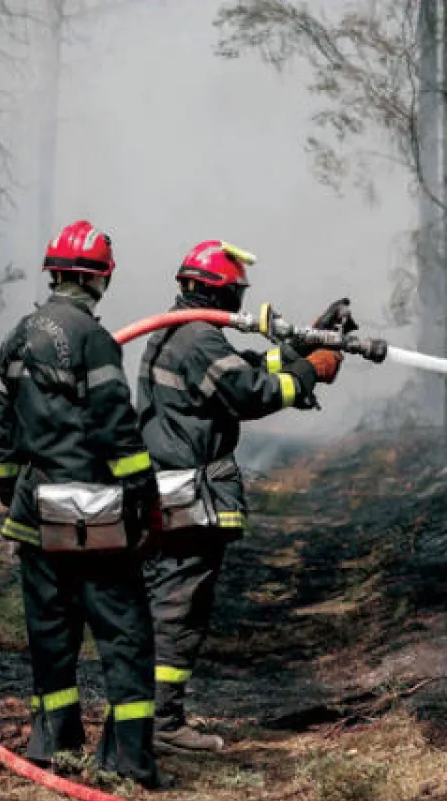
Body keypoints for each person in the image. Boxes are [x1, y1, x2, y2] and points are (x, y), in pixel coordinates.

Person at [136, 240, 347, 753]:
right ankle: (162, 725)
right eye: (235, 294)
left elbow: (246, 365)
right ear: (220, 290)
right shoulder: (197, 339)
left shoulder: (180, 331)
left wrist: (302, 346)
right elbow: (250, 392)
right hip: (188, 493)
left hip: (170, 489)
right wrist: (310, 371)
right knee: (177, 606)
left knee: (169, 599)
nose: (238, 306)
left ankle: (149, 717)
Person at [0, 220, 163, 789]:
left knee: (51, 637)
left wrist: (16, 496)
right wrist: (143, 497)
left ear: (54, 273)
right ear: (100, 280)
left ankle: (53, 744)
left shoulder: (15, 338)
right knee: (125, 636)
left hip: (37, 519)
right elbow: (117, 427)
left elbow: (3, 441)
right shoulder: (93, 340)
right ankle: (130, 761)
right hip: (96, 520)